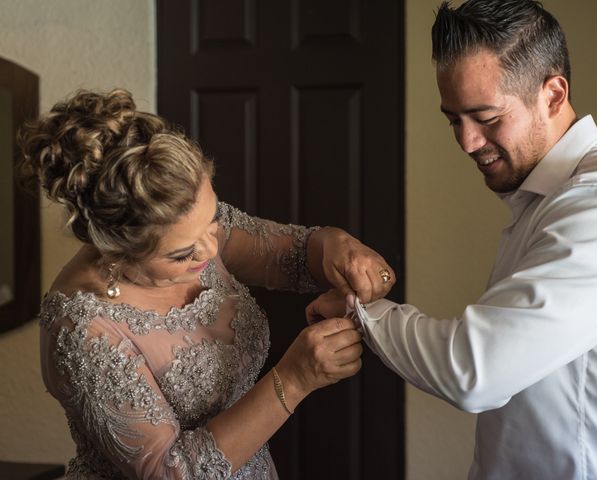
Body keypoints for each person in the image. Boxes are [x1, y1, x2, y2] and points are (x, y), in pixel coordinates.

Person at [308, 1, 597, 478]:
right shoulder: (547, 200)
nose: (466, 142)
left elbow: (474, 371)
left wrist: (362, 312)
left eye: (485, 117)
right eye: (453, 119)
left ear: (552, 94)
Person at [19, 89, 395, 479]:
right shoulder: (81, 327)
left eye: (214, 216)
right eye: (182, 255)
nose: (212, 247)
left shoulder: (191, 228)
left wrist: (341, 248)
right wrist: (295, 379)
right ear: (115, 253)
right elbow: (170, 471)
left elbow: (296, 255)